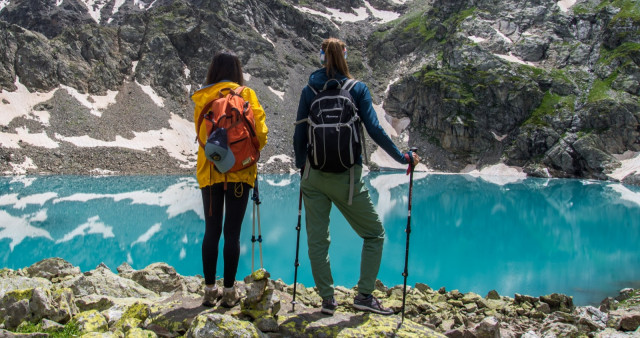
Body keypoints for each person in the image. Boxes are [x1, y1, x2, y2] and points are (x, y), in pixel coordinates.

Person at [293, 37, 420, 315]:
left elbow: (299, 135)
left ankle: (327, 300)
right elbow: (374, 131)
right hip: (347, 178)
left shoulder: (309, 90)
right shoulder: (357, 88)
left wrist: (303, 168)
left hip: (313, 176)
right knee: (374, 234)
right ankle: (363, 296)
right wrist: (403, 158)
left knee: (317, 241)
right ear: (345, 56)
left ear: (321, 56)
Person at [191, 52, 268, 308]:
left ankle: (210, 291)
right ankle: (230, 292)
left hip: (211, 173)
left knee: (211, 231)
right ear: (237, 71)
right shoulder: (246, 94)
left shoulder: (203, 97)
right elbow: (261, 134)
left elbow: (201, 136)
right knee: (232, 234)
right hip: (240, 173)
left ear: (213, 71)